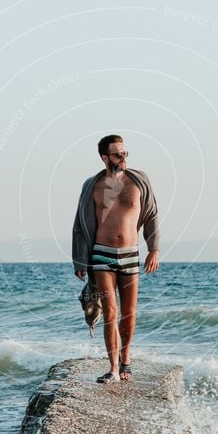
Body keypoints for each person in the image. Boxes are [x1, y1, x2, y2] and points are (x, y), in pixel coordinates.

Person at [72, 134, 160, 383]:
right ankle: (113, 369)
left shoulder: (139, 180)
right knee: (111, 311)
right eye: (117, 154)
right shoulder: (92, 185)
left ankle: (126, 360)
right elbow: (80, 223)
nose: (123, 158)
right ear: (104, 158)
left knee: (129, 313)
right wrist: (79, 260)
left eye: (125, 153)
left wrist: (153, 249)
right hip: (102, 254)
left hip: (130, 254)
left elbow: (152, 214)